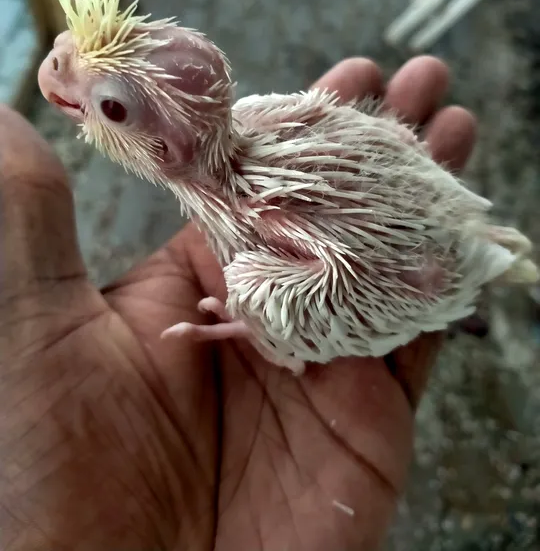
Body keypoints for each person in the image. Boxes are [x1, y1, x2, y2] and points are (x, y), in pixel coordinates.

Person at [0, 54, 475, 550]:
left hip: (425, 270)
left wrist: (266, 326)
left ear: (171, 146)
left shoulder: (253, 270)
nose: (57, 64)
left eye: (113, 108)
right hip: (416, 220)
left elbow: (367, 273)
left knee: (257, 291)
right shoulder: (259, 112)